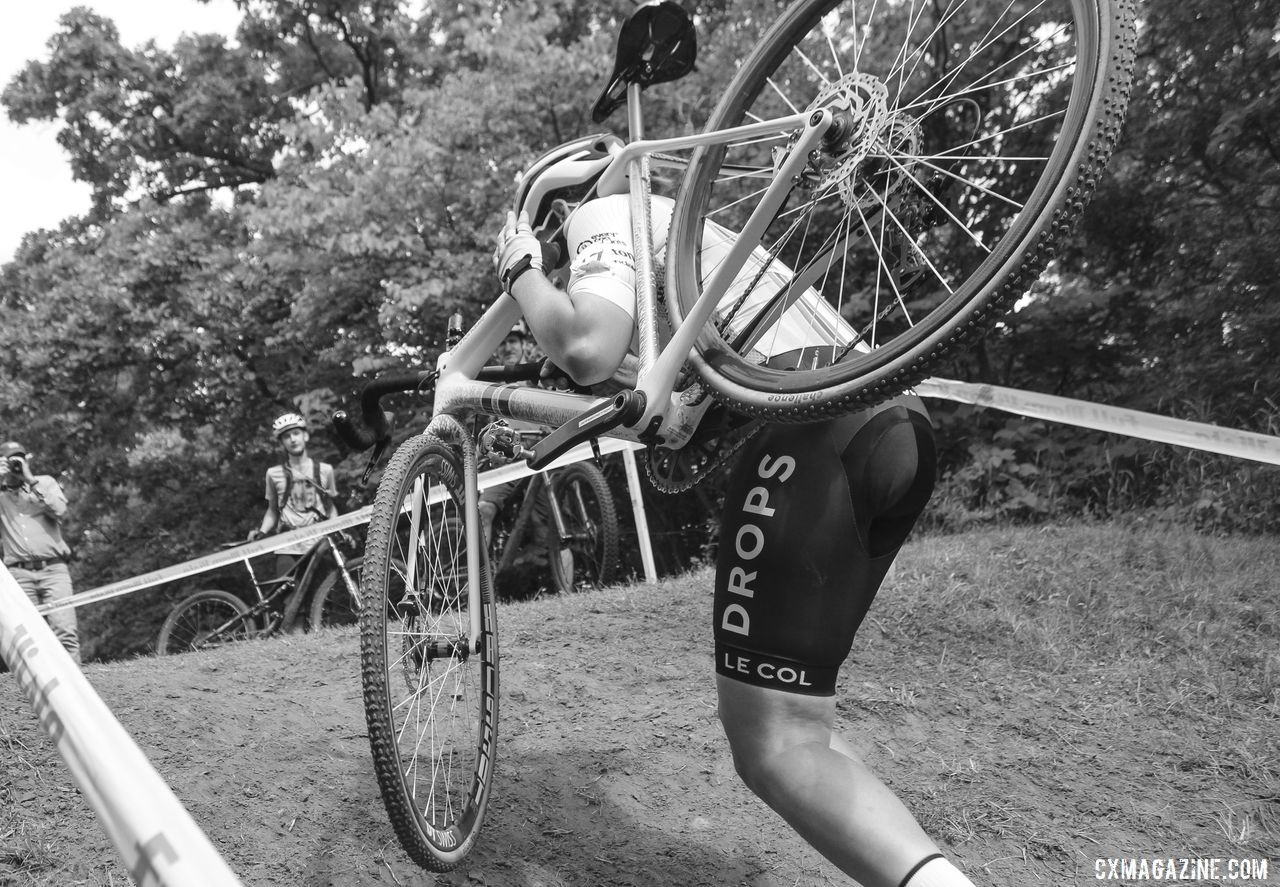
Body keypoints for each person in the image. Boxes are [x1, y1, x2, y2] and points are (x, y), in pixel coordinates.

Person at [493, 167, 969, 887]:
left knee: (776, 746)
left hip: (815, 425)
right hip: (890, 417)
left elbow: (585, 346)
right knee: (801, 731)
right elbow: (674, 423)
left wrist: (519, 267)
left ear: (559, 209)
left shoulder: (606, 216)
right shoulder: (696, 250)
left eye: (554, 249)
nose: (562, 271)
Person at [0, 441, 80, 664]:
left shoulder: (44, 482)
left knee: (66, 633)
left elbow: (60, 510)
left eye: (20, 458)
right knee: (30, 638)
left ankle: (77, 692)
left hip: (54, 570)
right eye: (11, 460)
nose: (17, 464)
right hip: (19, 575)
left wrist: (30, 480)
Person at [248, 413, 340, 579]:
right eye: (286, 436)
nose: (292, 439)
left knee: (323, 598)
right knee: (288, 599)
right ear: (282, 443)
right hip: (287, 545)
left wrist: (339, 529)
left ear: (305, 435)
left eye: (296, 433)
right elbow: (273, 510)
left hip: (319, 544)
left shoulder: (325, 470)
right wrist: (261, 532)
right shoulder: (273, 474)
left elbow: (330, 506)